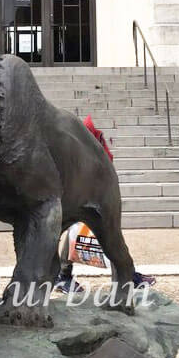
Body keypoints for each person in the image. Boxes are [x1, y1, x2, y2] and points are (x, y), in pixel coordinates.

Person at [55, 115, 156, 294]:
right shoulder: (85, 130)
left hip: (92, 190)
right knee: (97, 234)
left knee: (109, 236)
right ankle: (62, 275)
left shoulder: (88, 131)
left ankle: (127, 276)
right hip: (83, 193)